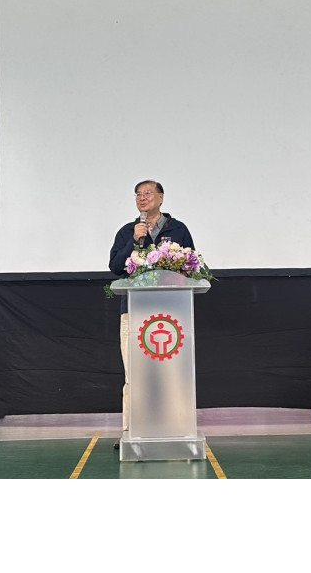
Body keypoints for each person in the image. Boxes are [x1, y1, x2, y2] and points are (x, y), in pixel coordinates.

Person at [108, 180, 195, 436]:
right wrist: (134, 241)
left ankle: (177, 426)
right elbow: (115, 267)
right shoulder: (127, 231)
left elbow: (191, 264)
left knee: (174, 373)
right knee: (134, 374)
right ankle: (131, 430)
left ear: (161, 197)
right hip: (133, 311)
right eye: (138, 194)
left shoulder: (178, 229)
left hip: (172, 314)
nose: (142, 198)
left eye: (147, 193)